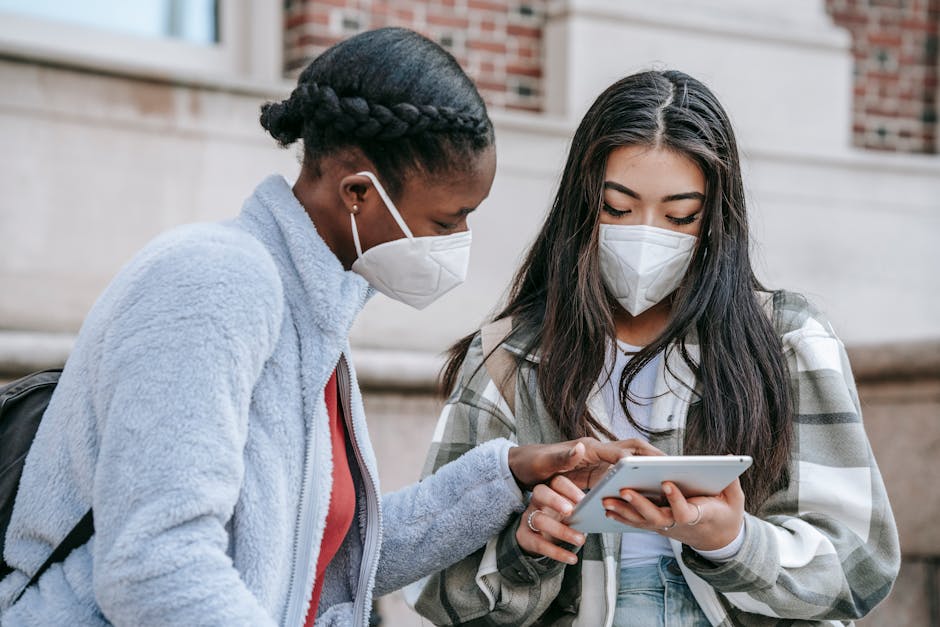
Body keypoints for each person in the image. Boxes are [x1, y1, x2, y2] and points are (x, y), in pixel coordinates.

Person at [0, 28, 634, 627]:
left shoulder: (316, 321)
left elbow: (324, 556)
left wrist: (508, 474)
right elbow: (153, 565)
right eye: (447, 221)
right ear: (358, 192)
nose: (461, 242)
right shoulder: (211, 282)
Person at [409, 70, 901, 626]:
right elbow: (433, 582)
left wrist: (733, 542)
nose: (646, 235)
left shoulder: (788, 340)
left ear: (715, 219)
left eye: (679, 216)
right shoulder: (508, 357)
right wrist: (525, 552)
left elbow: (862, 564)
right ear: (580, 205)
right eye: (617, 208)